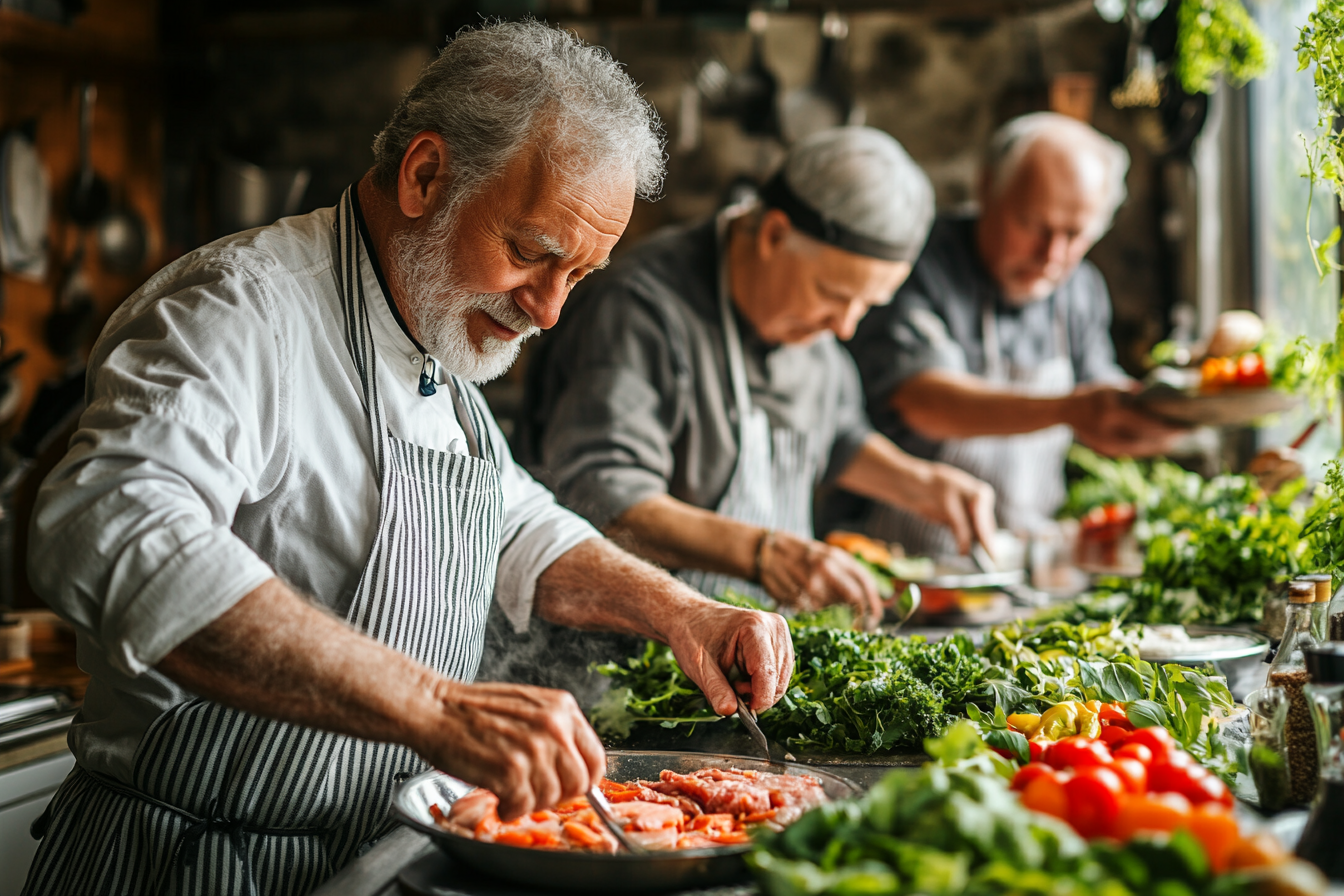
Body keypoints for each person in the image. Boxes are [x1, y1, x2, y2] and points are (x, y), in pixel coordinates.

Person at [21, 22, 793, 896]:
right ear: (425, 176)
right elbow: (109, 527)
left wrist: (683, 612)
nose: (548, 311)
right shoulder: (242, 310)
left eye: (578, 276)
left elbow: (517, 526)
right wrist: (438, 708)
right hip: (188, 864)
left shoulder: (436, 337)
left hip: (359, 858)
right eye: (530, 254)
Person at [514, 126, 995, 637]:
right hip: (620, 657)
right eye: (834, 295)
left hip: (751, 649)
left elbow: (836, 437)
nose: (845, 327)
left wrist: (922, 484)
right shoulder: (638, 308)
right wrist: (764, 552)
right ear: (774, 235)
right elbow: (602, 496)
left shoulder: (809, 326)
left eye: (867, 305)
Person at [845, 112, 1184, 557]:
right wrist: (1070, 408)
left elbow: (1101, 413)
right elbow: (922, 400)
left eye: (1075, 234)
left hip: (1021, 561)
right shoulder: (920, 262)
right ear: (987, 187)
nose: (1051, 255)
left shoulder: (1081, 289)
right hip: (896, 559)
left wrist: (1172, 411)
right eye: (1034, 225)